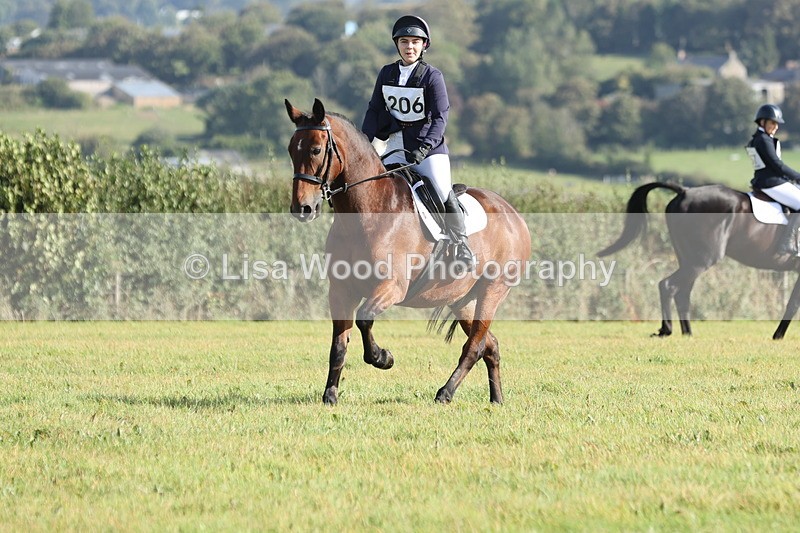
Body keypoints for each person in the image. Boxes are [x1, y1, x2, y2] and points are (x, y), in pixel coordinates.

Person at [361, 14, 475, 271]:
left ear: (424, 45)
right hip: (395, 144)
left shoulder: (432, 76)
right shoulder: (386, 73)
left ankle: (461, 244)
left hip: (428, 149)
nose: (409, 46)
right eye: (404, 41)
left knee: (441, 189)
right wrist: (365, 144)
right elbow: (374, 110)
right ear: (397, 44)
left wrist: (424, 147)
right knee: (372, 185)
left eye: (415, 41)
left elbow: (440, 116)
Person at [747, 103, 800, 255]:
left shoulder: (758, 138)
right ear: (762, 122)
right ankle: (787, 242)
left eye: (777, 123)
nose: (776, 126)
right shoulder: (763, 140)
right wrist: (797, 177)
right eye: (772, 122)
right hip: (771, 183)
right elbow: (777, 165)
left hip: (766, 180)